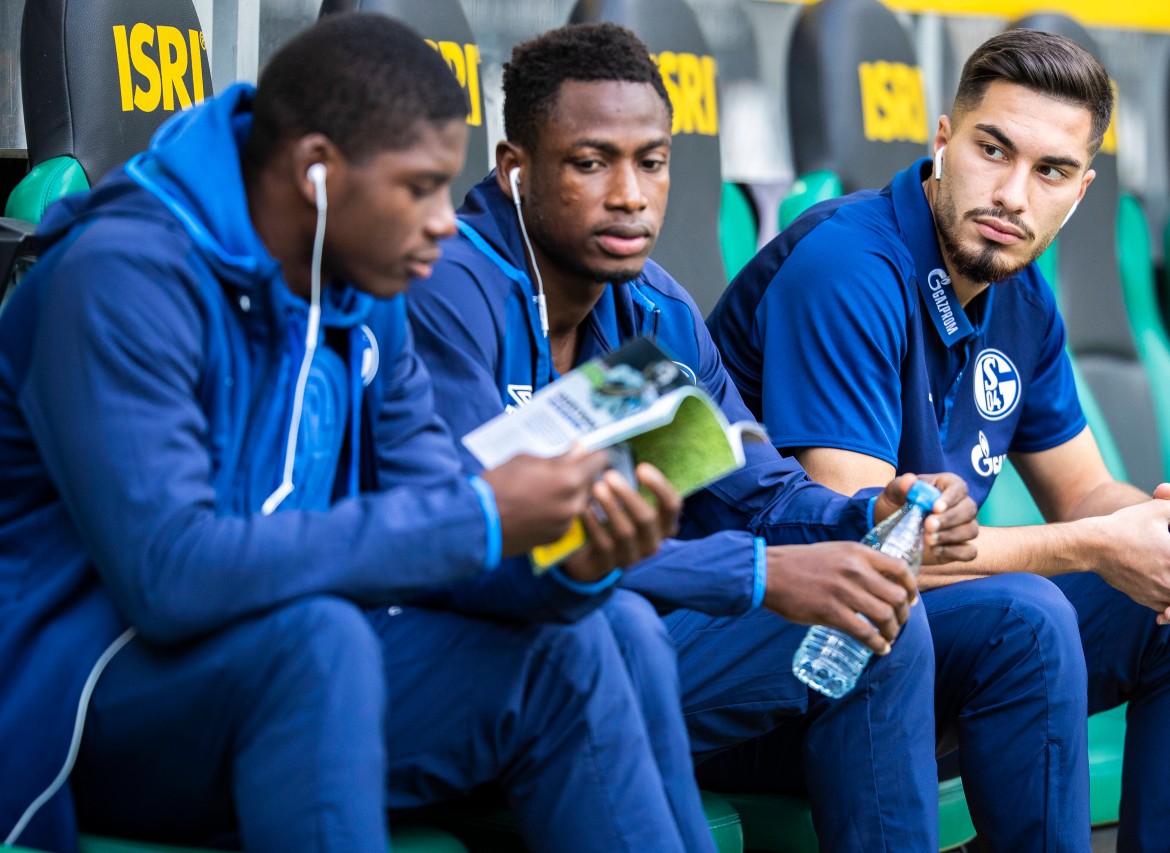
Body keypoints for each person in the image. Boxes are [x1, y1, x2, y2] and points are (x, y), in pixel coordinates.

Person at [0, 14, 695, 853]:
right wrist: (481, 516)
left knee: (596, 632)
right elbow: (169, 576)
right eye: (419, 187)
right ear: (318, 173)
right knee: (321, 641)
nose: (446, 222)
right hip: (92, 702)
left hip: (294, 667)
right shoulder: (120, 275)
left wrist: (572, 562)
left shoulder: (362, 291)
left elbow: (442, 517)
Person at [407, 23, 1012, 853]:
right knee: (616, 636)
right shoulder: (446, 291)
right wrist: (760, 574)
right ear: (516, 170)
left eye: (651, 162)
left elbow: (753, 488)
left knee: (876, 613)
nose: (630, 195)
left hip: (635, 641)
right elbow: (497, 543)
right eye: (591, 163)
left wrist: (870, 511)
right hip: (484, 660)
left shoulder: (655, 308)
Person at [709, 27, 1170, 851]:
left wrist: (1157, 529)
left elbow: (1084, 493)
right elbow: (871, 551)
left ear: (1080, 193)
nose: (1012, 194)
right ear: (942, 140)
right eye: (992, 150)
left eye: (1050, 172)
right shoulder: (848, 265)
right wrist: (1091, 544)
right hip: (768, 668)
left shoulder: (1022, 297)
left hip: (911, 645)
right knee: (1026, 618)